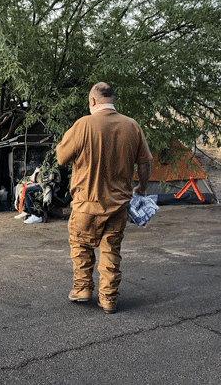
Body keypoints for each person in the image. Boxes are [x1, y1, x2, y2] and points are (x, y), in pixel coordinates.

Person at [56, 82, 152, 314]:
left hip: (86, 203)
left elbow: (61, 158)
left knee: (81, 245)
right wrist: (141, 188)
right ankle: (108, 299)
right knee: (111, 250)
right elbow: (145, 162)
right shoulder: (132, 125)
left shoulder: (83, 125)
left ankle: (82, 289)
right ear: (113, 100)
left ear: (92, 101)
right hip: (119, 204)